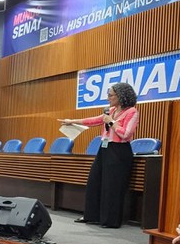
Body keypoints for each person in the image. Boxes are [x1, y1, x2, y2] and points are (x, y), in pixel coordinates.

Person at [58, 82, 139, 228]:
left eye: (111, 95)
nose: (108, 97)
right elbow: (94, 120)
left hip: (119, 151)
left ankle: (110, 220)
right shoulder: (112, 110)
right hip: (104, 149)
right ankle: (92, 216)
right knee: (94, 181)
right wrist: (72, 121)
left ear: (121, 96)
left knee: (112, 186)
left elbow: (126, 134)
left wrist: (112, 122)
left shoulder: (132, 112)